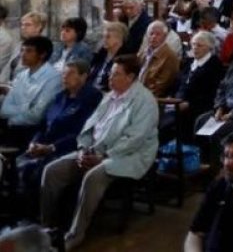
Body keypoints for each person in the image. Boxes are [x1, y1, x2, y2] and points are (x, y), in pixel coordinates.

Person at [40, 54, 159, 251]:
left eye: (115, 75)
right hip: (95, 150)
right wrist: (82, 150)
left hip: (128, 155)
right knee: (52, 171)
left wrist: (103, 156)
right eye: (110, 74)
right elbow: (89, 128)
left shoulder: (145, 101)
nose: (109, 78)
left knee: (92, 178)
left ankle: (75, 234)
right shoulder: (109, 96)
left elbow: (134, 139)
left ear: (130, 77)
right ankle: (47, 227)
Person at [13, 60, 102, 204]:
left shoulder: (91, 98)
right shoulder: (60, 96)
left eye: (70, 73)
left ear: (84, 76)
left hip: (65, 149)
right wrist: (34, 142)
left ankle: (36, 215)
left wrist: (51, 148)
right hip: (43, 146)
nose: (65, 77)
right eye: (63, 74)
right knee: (15, 164)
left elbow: (81, 133)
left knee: (34, 170)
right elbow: (43, 125)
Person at [160, 30, 225, 143]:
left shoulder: (215, 66)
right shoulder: (189, 62)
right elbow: (176, 83)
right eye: (193, 44)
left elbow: (212, 94)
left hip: (196, 108)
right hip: (175, 103)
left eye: (199, 45)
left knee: (165, 126)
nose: (195, 48)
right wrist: (170, 97)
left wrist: (189, 104)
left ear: (209, 48)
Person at [0, 36, 63, 149]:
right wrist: (27, 107)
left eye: (28, 51)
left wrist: (12, 117)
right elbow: (5, 109)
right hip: (11, 126)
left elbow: (37, 115)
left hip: (31, 132)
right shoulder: (21, 75)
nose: (23, 55)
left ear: (42, 54)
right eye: (22, 50)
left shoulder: (54, 78)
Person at [137, 21, 180, 97]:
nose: (153, 37)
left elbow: (160, 87)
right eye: (151, 34)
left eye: (158, 34)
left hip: (152, 99)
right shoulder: (144, 52)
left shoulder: (170, 57)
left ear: (165, 36)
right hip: (136, 93)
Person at [87, 22, 127, 93]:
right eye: (103, 37)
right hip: (90, 91)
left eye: (108, 37)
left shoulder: (124, 59)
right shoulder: (100, 54)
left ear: (119, 39)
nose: (104, 40)